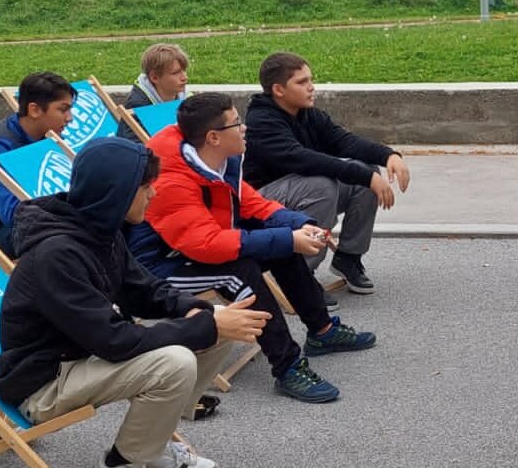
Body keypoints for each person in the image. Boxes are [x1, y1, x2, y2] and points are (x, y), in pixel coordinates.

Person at [0, 137, 269, 468]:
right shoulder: (56, 255)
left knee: (216, 323)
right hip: (44, 383)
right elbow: (114, 341)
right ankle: (118, 467)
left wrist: (203, 313)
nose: (153, 194)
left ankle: (153, 446)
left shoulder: (100, 230)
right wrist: (204, 324)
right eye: (145, 187)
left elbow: (146, 291)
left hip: (81, 355)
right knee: (177, 359)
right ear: (117, 192)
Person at [138, 92, 377, 404]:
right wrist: (289, 238)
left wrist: (299, 225)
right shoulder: (172, 180)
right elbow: (206, 246)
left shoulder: (216, 158)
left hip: (198, 244)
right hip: (158, 267)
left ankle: (322, 332)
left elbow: (254, 204)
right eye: (236, 123)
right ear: (213, 138)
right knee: (242, 270)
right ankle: (287, 366)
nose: (244, 128)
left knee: (279, 241)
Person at [243, 51, 408, 294]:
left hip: (299, 194)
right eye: (302, 82)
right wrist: (366, 177)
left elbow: (344, 141)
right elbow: (303, 160)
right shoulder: (262, 121)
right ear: (278, 90)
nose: (311, 87)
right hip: (262, 203)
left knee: (365, 173)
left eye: (311, 80)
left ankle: (348, 258)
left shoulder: (307, 114)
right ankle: (299, 278)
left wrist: (388, 156)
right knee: (323, 184)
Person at [0, 72, 75, 255]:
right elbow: (13, 215)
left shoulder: (47, 136)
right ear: (34, 110)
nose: (70, 118)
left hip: (38, 217)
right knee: (70, 233)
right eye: (63, 110)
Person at [119, 43, 190, 142]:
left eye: (184, 71)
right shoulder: (138, 107)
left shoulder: (185, 96)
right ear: (154, 77)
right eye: (176, 73)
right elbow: (136, 147)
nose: (184, 77)